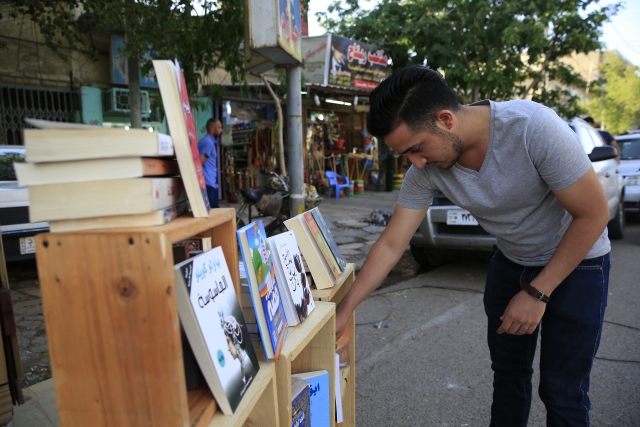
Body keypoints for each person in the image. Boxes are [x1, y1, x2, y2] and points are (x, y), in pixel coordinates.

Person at [336, 65, 611, 426]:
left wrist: (537, 292)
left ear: (445, 119)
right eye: (406, 155)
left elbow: (593, 214)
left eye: (416, 148)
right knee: (509, 377)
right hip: (512, 260)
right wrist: (345, 310)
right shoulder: (425, 170)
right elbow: (390, 245)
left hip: (578, 263)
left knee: (562, 390)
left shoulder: (534, 128)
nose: (416, 163)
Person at [198, 118, 223, 208]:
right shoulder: (208, 143)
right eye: (219, 127)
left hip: (210, 183)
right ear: (212, 129)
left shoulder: (207, 141)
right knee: (212, 213)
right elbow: (199, 163)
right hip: (207, 184)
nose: (221, 130)